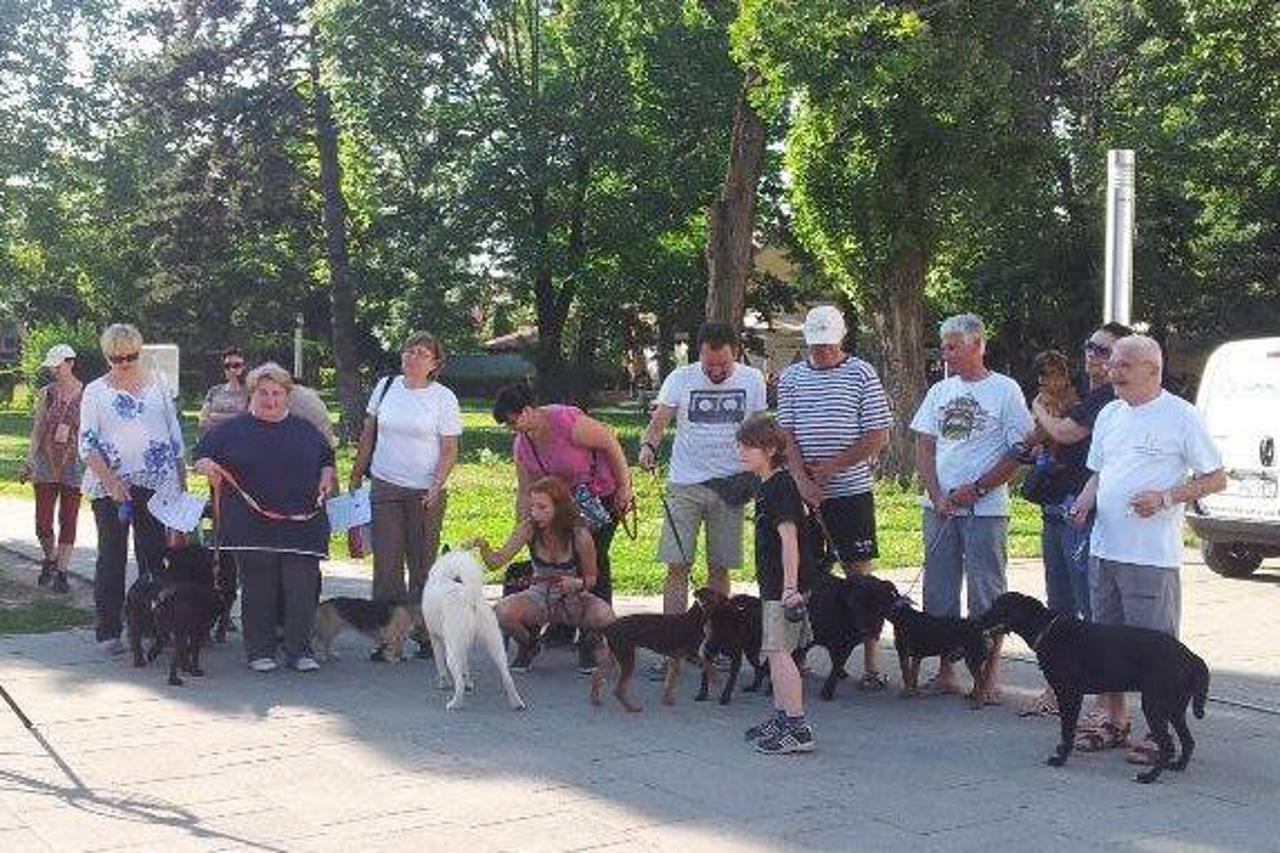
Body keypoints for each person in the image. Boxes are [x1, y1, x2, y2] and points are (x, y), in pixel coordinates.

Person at [1066, 335, 1225, 763]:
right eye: (1111, 363)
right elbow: (1099, 473)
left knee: (1155, 650)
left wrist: (1167, 497)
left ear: (1152, 370)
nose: (1110, 371)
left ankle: (1160, 733)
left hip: (1150, 558)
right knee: (1105, 645)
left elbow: (1215, 478)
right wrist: (1084, 501)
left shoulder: (1181, 416)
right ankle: (1114, 721)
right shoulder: (1110, 414)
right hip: (1105, 550)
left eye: (1122, 365)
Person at [909, 313, 1033, 699]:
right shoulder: (940, 392)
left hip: (986, 509)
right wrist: (936, 493)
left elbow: (1022, 449)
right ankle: (946, 671)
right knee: (939, 591)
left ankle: (988, 675)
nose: (947, 355)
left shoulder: (1005, 390)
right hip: (940, 507)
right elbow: (925, 445)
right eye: (944, 347)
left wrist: (979, 487)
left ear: (978, 345)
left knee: (986, 594)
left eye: (954, 347)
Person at [777, 304, 893, 689]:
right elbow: (787, 434)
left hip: (851, 491)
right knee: (804, 573)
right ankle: (798, 655)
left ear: (841, 339)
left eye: (828, 345)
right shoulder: (793, 377)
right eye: (815, 346)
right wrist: (802, 478)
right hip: (804, 493)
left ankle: (872, 664)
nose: (822, 352)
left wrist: (832, 467)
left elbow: (878, 434)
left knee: (860, 575)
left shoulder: (861, 373)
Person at [193, 362, 336, 673]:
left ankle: (299, 650)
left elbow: (327, 457)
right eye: (263, 393)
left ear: (287, 396)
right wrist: (207, 466)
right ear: (251, 395)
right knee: (259, 587)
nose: (270, 399)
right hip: (251, 525)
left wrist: (327, 474)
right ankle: (260, 650)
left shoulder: (305, 430)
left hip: (303, 525)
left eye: (276, 393)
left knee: (301, 588)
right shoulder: (231, 430)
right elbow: (201, 454)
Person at [492, 383, 635, 672]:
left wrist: (624, 487)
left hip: (598, 496)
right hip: (561, 506)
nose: (511, 428)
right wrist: (523, 524)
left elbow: (609, 442)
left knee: (593, 560)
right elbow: (525, 488)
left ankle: (594, 638)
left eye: (512, 420)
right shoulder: (522, 442)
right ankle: (561, 625)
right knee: (562, 562)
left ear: (528, 410)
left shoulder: (564, 421)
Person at [636, 321, 766, 618]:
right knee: (677, 564)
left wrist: (763, 471)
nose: (717, 371)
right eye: (710, 365)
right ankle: (672, 644)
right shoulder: (680, 378)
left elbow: (760, 430)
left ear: (736, 353)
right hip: (685, 484)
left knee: (719, 567)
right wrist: (648, 447)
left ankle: (717, 642)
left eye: (724, 364)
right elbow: (657, 424)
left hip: (732, 484)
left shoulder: (753, 379)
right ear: (699, 354)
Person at [349, 331, 462, 658]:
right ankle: (388, 636)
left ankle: (427, 632)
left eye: (422, 353)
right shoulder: (386, 388)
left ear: (435, 363)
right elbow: (369, 434)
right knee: (387, 565)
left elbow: (450, 448)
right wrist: (357, 472)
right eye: (409, 351)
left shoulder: (443, 397)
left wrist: (436, 484)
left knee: (423, 563)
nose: (413, 357)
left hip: (425, 491)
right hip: (385, 483)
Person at [78, 324, 186, 655]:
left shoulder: (159, 384)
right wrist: (110, 481)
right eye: (116, 358)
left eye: (131, 357)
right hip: (111, 485)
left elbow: (173, 434)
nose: (124, 363)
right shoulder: (96, 391)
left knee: (152, 556)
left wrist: (181, 479)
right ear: (107, 356)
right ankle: (109, 628)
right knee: (111, 556)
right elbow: (87, 443)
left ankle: (152, 627)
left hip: (155, 482)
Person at [736, 413, 820, 754]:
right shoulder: (767, 484)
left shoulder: (781, 486)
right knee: (773, 651)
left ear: (770, 449)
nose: (740, 451)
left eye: (748, 446)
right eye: (739, 445)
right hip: (774, 583)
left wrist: (789, 588)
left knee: (781, 653)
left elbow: (790, 538)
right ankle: (783, 715)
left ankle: (798, 727)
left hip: (784, 585)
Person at [479, 476, 616, 673]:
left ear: (559, 508)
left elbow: (592, 579)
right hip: (539, 596)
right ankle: (529, 644)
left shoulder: (579, 534)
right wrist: (484, 548)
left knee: (605, 616)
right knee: (500, 612)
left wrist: (576, 584)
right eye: (532, 506)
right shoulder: (528, 528)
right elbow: (496, 562)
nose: (535, 513)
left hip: (573, 599)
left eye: (542, 507)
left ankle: (588, 644)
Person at [20, 344, 84, 593]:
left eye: (58, 366)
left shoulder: (88, 394)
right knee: (43, 522)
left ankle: (62, 572)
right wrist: (30, 460)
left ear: (71, 363)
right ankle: (50, 557)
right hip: (46, 462)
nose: (55, 371)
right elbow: (37, 429)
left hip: (73, 463)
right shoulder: (46, 393)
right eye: (52, 367)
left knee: (68, 519)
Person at [198, 346, 249, 437]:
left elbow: (249, 421)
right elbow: (203, 421)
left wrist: (215, 416)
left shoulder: (251, 393)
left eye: (236, 365)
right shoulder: (214, 391)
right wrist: (236, 417)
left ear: (243, 367)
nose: (232, 370)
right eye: (227, 366)